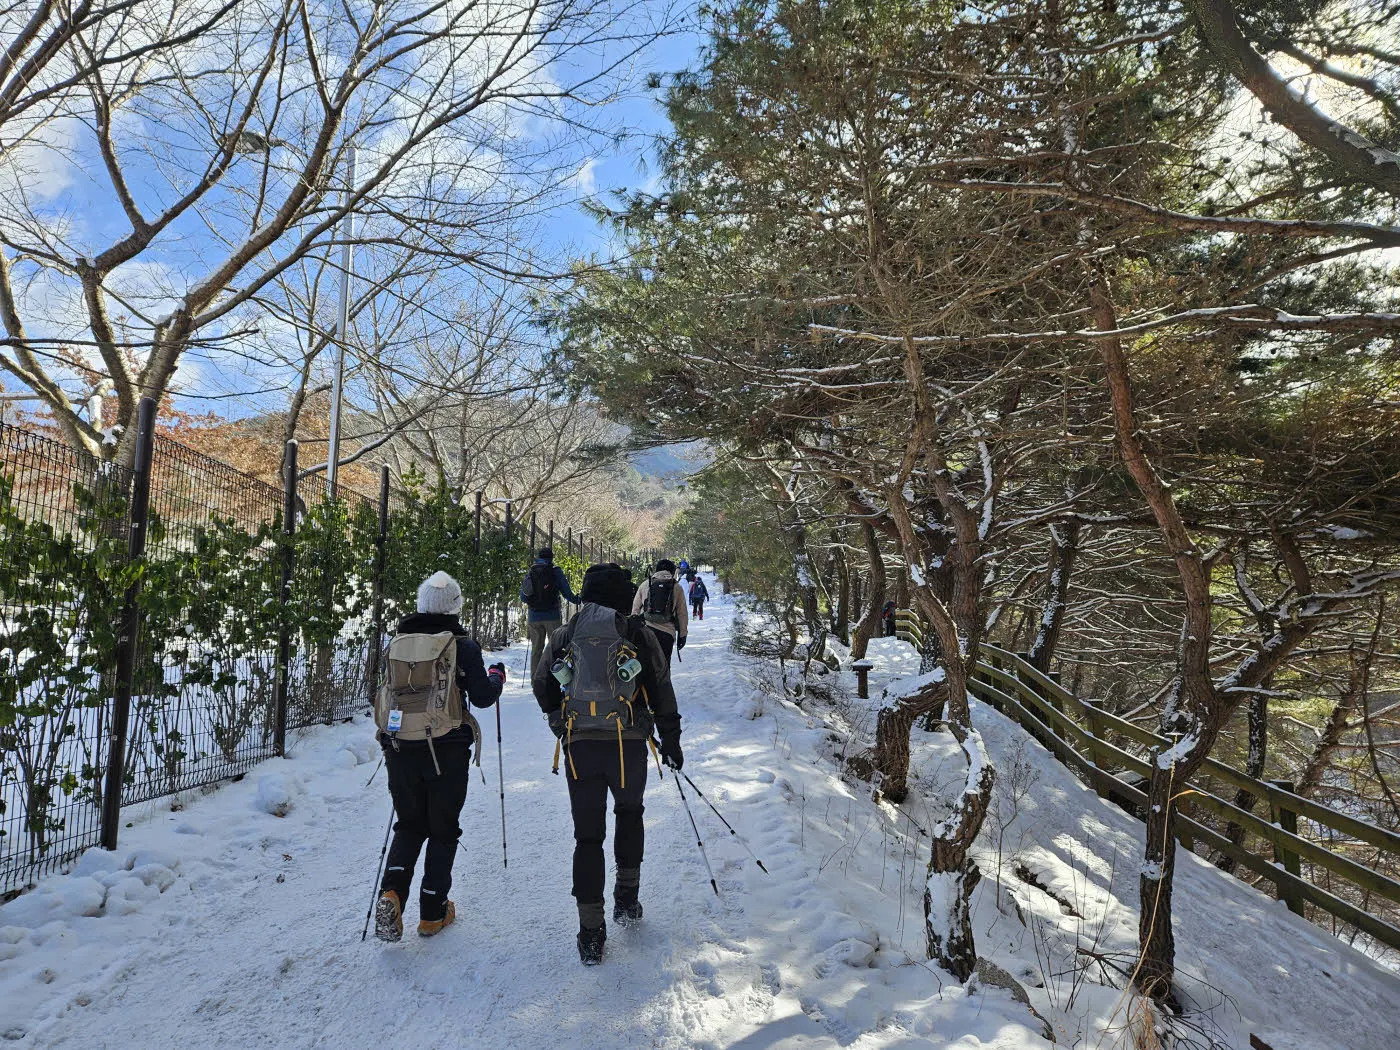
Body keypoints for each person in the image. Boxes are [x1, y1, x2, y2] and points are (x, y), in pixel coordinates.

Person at [532, 563, 683, 965]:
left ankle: (591, 932)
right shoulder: (636, 632)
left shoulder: (568, 632)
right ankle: (626, 902)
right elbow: (660, 687)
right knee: (630, 813)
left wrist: (557, 722)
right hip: (627, 744)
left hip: (580, 744)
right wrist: (671, 738)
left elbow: (541, 681)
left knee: (587, 837)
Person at [374, 571, 505, 942]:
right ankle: (432, 912)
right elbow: (481, 696)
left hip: (399, 746)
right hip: (445, 748)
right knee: (443, 829)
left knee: (410, 824)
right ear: (455, 606)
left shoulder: (396, 642)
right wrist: (496, 675)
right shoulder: (460, 645)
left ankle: (392, 893)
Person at [520, 547, 578, 671]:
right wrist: (579, 599)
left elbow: (523, 597)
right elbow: (567, 594)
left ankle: (536, 681)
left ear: (538, 557)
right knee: (556, 647)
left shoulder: (531, 572)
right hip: (552, 616)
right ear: (551, 558)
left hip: (534, 617)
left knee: (536, 650)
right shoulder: (555, 572)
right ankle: (555, 678)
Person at [632, 558, 688, 665]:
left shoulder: (645, 584)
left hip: (646, 631)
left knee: (646, 667)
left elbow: (635, 609)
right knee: (664, 668)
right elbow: (682, 613)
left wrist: (634, 630)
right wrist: (683, 635)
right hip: (667, 634)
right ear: (672, 571)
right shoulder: (677, 587)